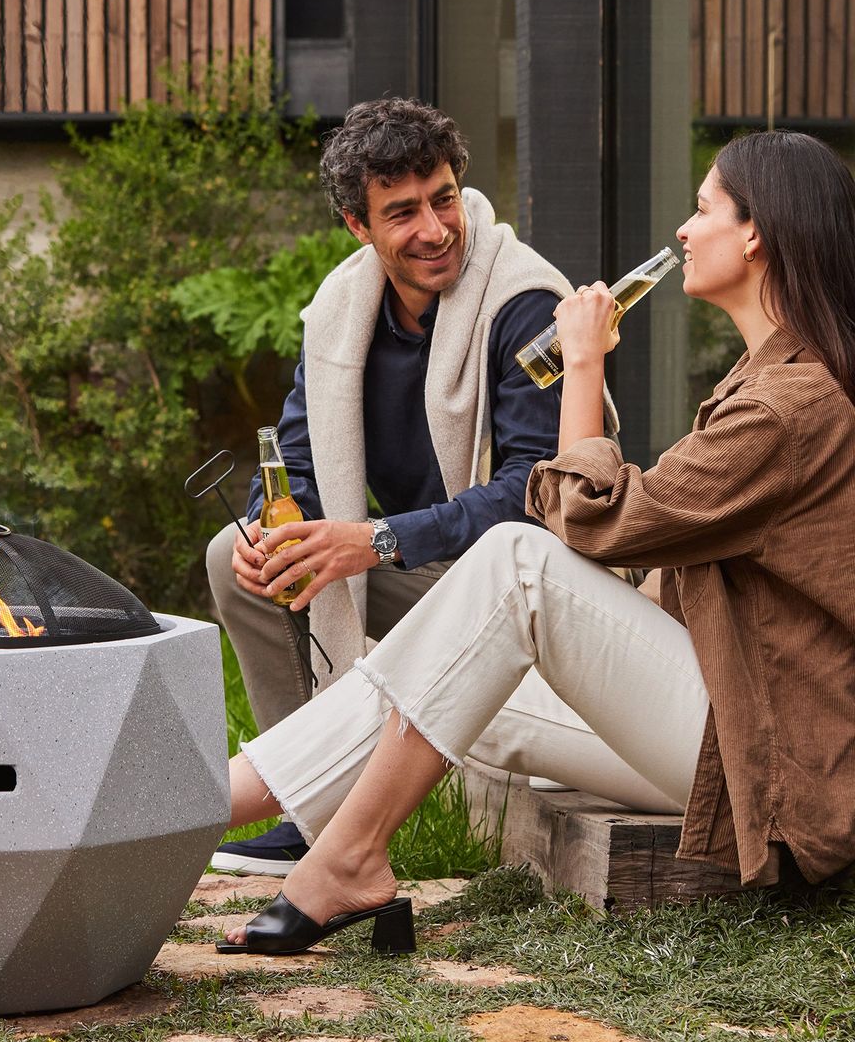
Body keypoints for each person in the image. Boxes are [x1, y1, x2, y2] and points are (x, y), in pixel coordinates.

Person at [216, 128, 855, 955]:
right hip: (732, 729)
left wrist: (582, 365)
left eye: (702, 210)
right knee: (438, 679)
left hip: (772, 761)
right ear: (358, 227)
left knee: (515, 565)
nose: (684, 232)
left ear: (757, 233)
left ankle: (277, 833)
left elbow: (581, 524)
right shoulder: (770, 379)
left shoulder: (785, 406)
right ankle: (231, 813)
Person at [209, 97, 626, 877]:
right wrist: (268, 533)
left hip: (524, 577)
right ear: (357, 227)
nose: (435, 229)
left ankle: (308, 813)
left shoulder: (523, 301)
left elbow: (535, 497)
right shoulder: (343, 309)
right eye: (402, 213)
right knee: (238, 560)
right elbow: (296, 463)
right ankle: (313, 813)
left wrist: (374, 542)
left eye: (443, 198)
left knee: (348, 554)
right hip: (428, 565)